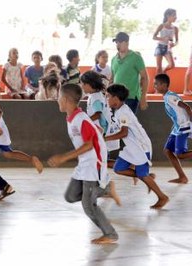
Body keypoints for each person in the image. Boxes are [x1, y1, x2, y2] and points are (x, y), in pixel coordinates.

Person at [48, 83, 120, 245]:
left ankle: (110, 234)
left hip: (93, 165)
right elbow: (96, 132)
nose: (57, 100)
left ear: (65, 99)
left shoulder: (81, 119)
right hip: (84, 164)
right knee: (70, 196)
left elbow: (89, 144)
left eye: (59, 97)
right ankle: (106, 189)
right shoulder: (73, 117)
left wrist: (64, 157)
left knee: (88, 205)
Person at [105, 84, 169, 209]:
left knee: (141, 174)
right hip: (132, 147)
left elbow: (124, 132)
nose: (107, 99)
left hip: (141, 146)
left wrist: (105, 139)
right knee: (118, 168)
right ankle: (148, 177)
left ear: (115, 98)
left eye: (108, 96)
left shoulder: (123, 112)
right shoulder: (119, 111)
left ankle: (162, 197)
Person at [154, 73, 191, 184]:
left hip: (183, 127)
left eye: (156, 84)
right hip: (177, 128)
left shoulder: (170, 96)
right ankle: (182, 177)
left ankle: (182, 177)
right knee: (168, 151)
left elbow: (186, 107)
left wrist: (190, 120)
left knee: (180, 154)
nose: (155, 86)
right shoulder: (166, 97)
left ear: (164, 85)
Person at [80, 71, 120, 155]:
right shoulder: (96, 95)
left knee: (101, 153)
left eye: (83, 84)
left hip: (102, 129)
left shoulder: (95, 98)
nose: (82, 87)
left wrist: (86, 121)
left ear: (89, 84)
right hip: (102, 128)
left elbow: (98, 114)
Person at [111, 32, 149, 113]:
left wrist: (143, 97)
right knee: (116, 124)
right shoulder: (114, 59)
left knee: (127, 124)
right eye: (116, 42)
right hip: (115, 98)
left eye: (120, 42)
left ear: (127, 42)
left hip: (130, 97)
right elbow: (112, 78)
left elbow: (144, 77)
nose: (118, 44)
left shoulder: (136, 57)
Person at [152, 8, 178, 74]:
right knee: (158, 68)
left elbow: (177, 41)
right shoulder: (161, 26)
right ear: (168, 16)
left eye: (176, 15)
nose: (176, 17)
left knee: (172, 65)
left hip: (168, 48)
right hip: (160, 47)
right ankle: (157, 83)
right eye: (174, 15)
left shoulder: (175, 28)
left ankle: (164, 71)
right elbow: (154, 37)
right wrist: (163, 38)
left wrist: (174, 44)